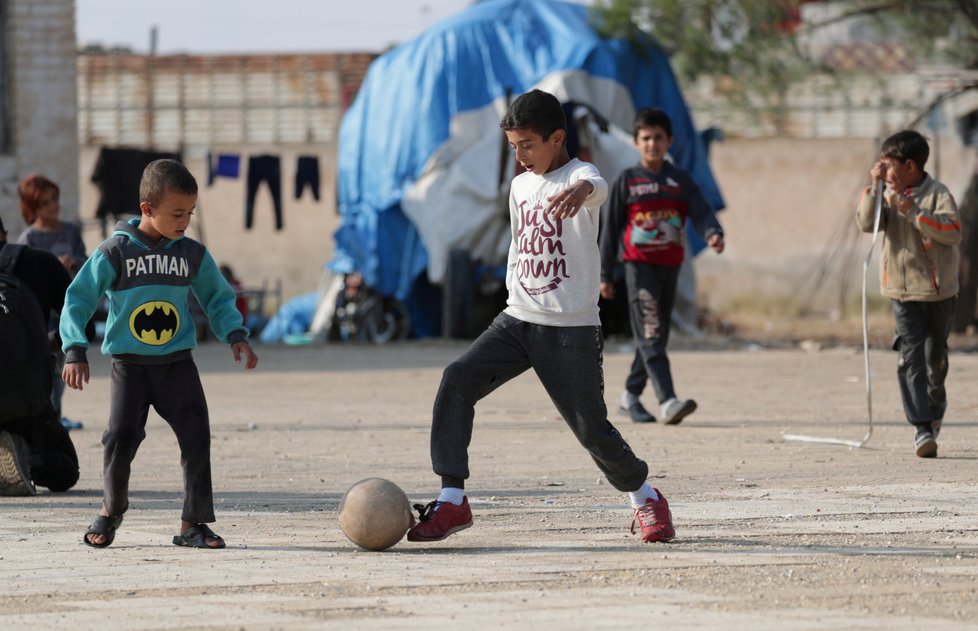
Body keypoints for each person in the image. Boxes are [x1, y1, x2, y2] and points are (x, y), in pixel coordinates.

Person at [407, 89, 675, 545]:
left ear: (557, 138)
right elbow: (518, 243)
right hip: (516, 320)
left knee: (591, 428)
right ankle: (452, 499)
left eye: (528, 144)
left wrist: (581, 189)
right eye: (513, 146)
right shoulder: (519, 185)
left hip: (570, 329)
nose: (520, 155)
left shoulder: (581, 175)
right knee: (456, 381)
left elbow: (599, 185)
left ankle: (646, 498)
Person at [60, 159, 259, 548]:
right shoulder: (114, 252)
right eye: (177, 213)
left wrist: (235, 334)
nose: (185, 221)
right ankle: (110, 510)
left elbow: (217, 296)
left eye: (190, 212)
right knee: (120, 437)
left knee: (197, 437)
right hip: (129, 367)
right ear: (147, 209)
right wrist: (75, 348)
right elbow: (78, 299)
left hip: (177, 365)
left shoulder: (191, 254)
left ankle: (193, 524)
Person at [599, 108, 724, 425]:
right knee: (652, 332)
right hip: (638, 269)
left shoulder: (679, 181)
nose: (652, 144)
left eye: (658, 138)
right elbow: (611, 229)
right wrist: (604, 275)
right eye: (645, 138)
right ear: (637, 142)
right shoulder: (627, 181)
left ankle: (629, 396)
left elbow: (702, 212)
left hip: (670, 268)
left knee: (655, 335)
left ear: (668, 141)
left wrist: (713, 233)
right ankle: (668, 400)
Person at [856, 130, 962, 458]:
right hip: (901, 293)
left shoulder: (937, 194)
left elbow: (952, 232)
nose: (883, 170)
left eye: (888, 165)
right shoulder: (884, 194)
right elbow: (865, 223)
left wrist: (911, 210)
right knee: (910, 358)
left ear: (910, 166)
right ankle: (921, 428)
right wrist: (874, 190)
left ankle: (935, 403)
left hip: (938, 292)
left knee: (935, 360)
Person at [0, 216, 80, 496]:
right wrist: (52, 345)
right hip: (28, 403)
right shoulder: (41, 262)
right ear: (5, 233)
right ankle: (28, 452)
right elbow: (81, 318)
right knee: (65, 471)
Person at [17, 174, 88, 431]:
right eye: (45, 202)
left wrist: (74, 262)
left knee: (63, 366)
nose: (52, 206)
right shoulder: (29, 239)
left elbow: (87, 264)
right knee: (46, 367)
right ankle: (48, 416)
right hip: (42, 314)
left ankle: (55, 415)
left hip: (68, 310)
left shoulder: (71, 231)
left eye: (54, 199)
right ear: (32, 207)